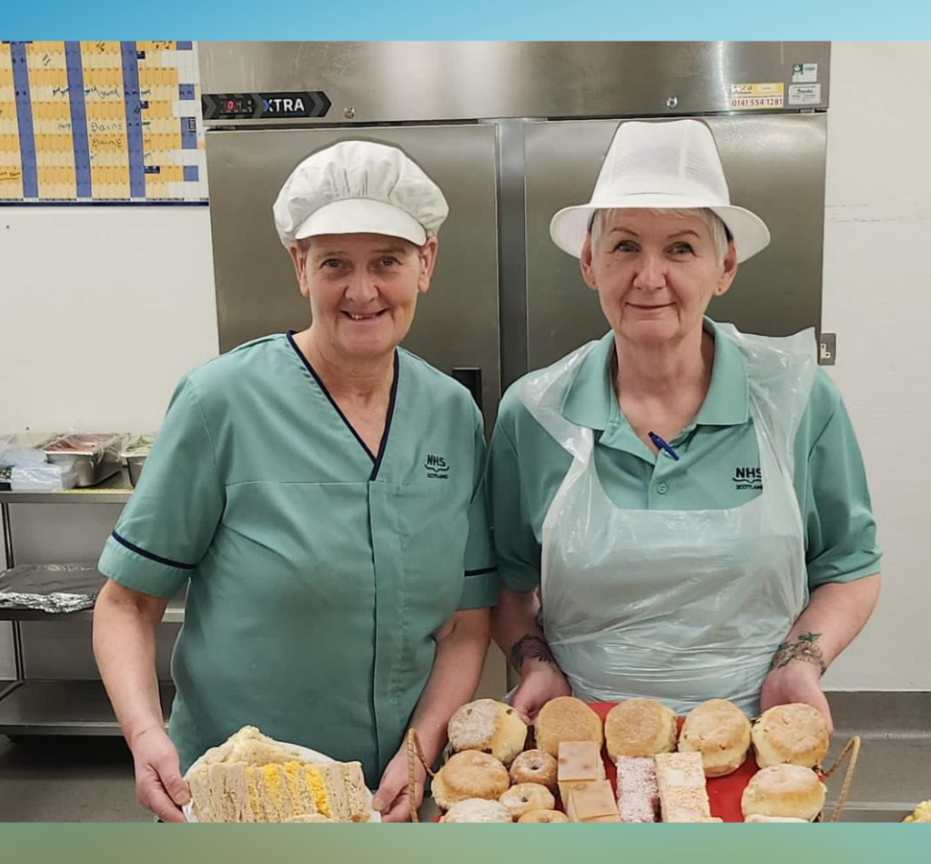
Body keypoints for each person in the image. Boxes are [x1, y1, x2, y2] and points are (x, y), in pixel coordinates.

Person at [92, 140, 497, 822]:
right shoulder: (219, 402)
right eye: (335, 262)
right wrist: (143, 735)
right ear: (298, 266)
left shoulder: (450, 413)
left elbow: (464, 621)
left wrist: (424, 748)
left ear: (425, 263)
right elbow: (127, 604)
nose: (362, 291)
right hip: (235, 797)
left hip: (395, 790)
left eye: (387, 262)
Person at [488, 120, 882, 732]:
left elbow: (849, 567)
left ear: (724, 266)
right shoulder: (537, 414)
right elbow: (509, 585)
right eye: (624, 246)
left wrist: (800, 664)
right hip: (586, 743)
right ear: (589, 261)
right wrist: (534, 664)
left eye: (680, 247)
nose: (650, 277)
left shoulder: (795, 400)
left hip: (754, 737)